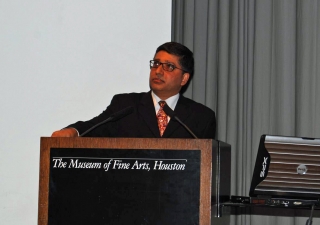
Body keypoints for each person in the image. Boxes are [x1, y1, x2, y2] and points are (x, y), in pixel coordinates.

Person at [51, 42, 216, 139]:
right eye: (156, 64)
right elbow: (94, 127)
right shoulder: (125, 105)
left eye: (169, 66)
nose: (158, 71)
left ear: (184, 78)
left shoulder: (201, 117)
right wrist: (73, 131)